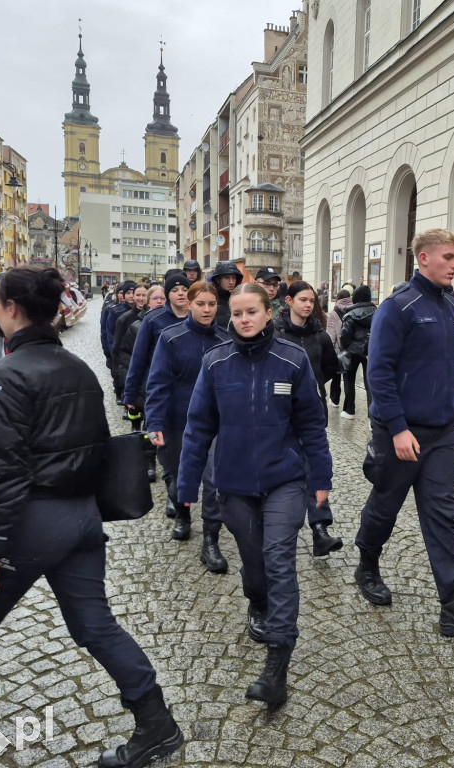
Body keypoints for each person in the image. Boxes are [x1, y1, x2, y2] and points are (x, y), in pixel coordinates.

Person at [0, 266, 183, 766]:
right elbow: (97, 449)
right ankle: (156, 724)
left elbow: (4, 472)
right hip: (81, 520)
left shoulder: (3, 377)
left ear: (8, 309)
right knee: (96, 626)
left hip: (33, 522)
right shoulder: (78, 368)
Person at [178, 283, 332, 707]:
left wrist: (321, 477)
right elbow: (197, 429)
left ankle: (277, 664)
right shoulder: (215, 362)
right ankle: (256, 601)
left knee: (280, 558)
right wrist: (187, 485)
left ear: (268, 313)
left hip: (284, 480)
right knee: (255, 562)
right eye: (238, 313)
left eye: (252, 312)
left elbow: (312, 427)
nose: (244, 319)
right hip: (232, 483)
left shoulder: (292, 359)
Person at [355, 228, 454, 641]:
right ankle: (367, 563)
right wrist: (397, 428)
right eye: (449, 257)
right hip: (400, 433)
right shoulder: (397, 307)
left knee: (441, 514)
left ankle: (452, 603)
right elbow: (377, 373)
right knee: (385, 505)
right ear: (424, 258)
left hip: (441, 434)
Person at [147, 282, 231, 567]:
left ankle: (211, 539)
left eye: (211, 304)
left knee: (214, 480)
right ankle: (182, 514)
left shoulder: (226, 340)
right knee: (180, 474)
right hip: (177, 420)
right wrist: (155, 421)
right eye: (200, 304)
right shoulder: (171, 337)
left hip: (215, 423)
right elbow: (158, 383)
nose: (207, 310)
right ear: (190, 305)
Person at [272, 280, 342, 557]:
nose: (308, 304)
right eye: (302, 299)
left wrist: (310, 391)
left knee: (315, 467)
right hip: (279, 415)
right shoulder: (274, 334)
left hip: (311, 414)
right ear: (288, 301)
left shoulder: (321, 336)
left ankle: (319, 528)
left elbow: (329, 368)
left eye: (311, 300)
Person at [123, 271, 193, 514]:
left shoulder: (198, 317)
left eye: (185, 289)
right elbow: (139, 359)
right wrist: (130, 395)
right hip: (162, 392)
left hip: (191, 394)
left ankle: (182, 491)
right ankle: (173, 491)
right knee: (171, 451)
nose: (181, 293)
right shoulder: (153, 320)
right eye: (175, 290)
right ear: (168, 293)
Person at [338, 284, 376, 419]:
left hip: (352, 351)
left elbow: (345, 334)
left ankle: (349, 410)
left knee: (349, 381)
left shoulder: (349, 314)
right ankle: (372, 417)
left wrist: (345, 347)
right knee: (370, 383)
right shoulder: (378, 311)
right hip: (370, 352)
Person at [112, 284, 148, 403]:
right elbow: (118, 349)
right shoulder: (124, 319)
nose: (141, 298)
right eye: (138, 295)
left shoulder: (154, 317)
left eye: (144, 295)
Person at [326, 289, 351, 407]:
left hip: (338, 350)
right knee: (349, 378)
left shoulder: (334, 313)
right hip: (351, 350)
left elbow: (331, 335)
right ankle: (349, 405)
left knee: (336, 375)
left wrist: (328, 350)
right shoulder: (354, 309)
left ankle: (335, 400)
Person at [209, 260, 242, 329]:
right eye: (227, 278)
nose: (231, 282)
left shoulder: (241, 299)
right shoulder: (210, 300)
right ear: (218, 279)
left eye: (234, 278)